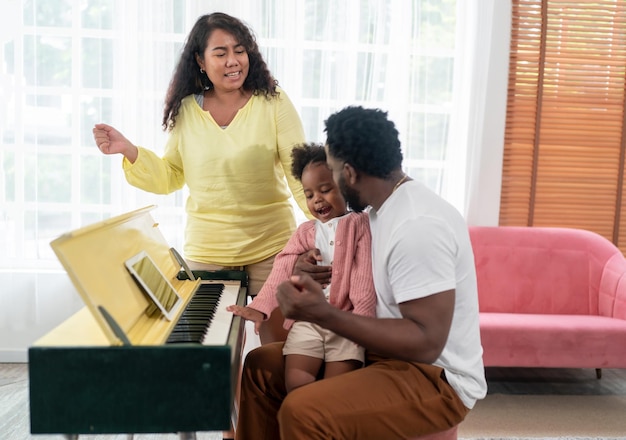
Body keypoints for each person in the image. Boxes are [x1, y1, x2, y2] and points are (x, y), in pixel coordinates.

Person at [234, 106, 487, 439]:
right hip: (386, 351)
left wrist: (323, 314)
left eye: (335, 173)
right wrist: (303, 269)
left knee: (304, 412)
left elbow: (426, 343)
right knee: (258, 368)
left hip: (434, 377)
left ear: (350, 174)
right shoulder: (378, 211)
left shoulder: (417, 227)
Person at [91, 12, 311, 343]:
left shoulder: (273, 102)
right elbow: (171, 176)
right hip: (208, 252)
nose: (233, 61)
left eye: (239, 50)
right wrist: (130, 151)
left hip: (273, 248)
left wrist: (330, 230)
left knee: (281, 350)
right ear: (201, 61)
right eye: (220, 53)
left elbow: (299, 174)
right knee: (208, 355)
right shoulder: (187, 111)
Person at [228, 142, 377, 393]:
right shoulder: (306, 231)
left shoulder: (359, 224)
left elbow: (364, 279)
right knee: (296, 382)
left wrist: (362, 326)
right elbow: (282, 268)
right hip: (307, 322)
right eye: (309, 195)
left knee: (335, 389)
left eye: (326, 189)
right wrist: (260, 308)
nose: (317, 199)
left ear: (346, 186)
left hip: (346, 324)